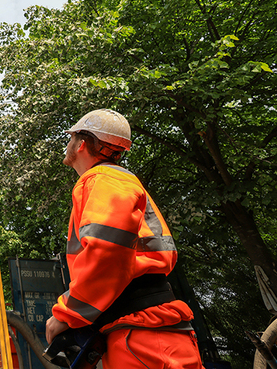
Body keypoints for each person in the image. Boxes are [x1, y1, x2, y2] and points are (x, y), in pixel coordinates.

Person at [45, 109, 203, 368]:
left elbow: (106, 252)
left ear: (82, 144)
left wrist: (67, 314)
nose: (67, 145)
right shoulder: (117, 181)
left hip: (143, 339)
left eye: (70, 138)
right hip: (151, 332)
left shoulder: (102, 180)